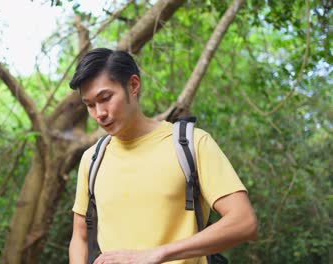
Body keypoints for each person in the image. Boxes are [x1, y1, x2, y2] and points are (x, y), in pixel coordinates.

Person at [68, 48, 257, 264]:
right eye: (90, 105)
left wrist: (157, 253)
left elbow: (244, 222)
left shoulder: (191, 144)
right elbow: (80, 237)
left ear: (133, 85)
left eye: (106, 98)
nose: (99, 113)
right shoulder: (93, 159)